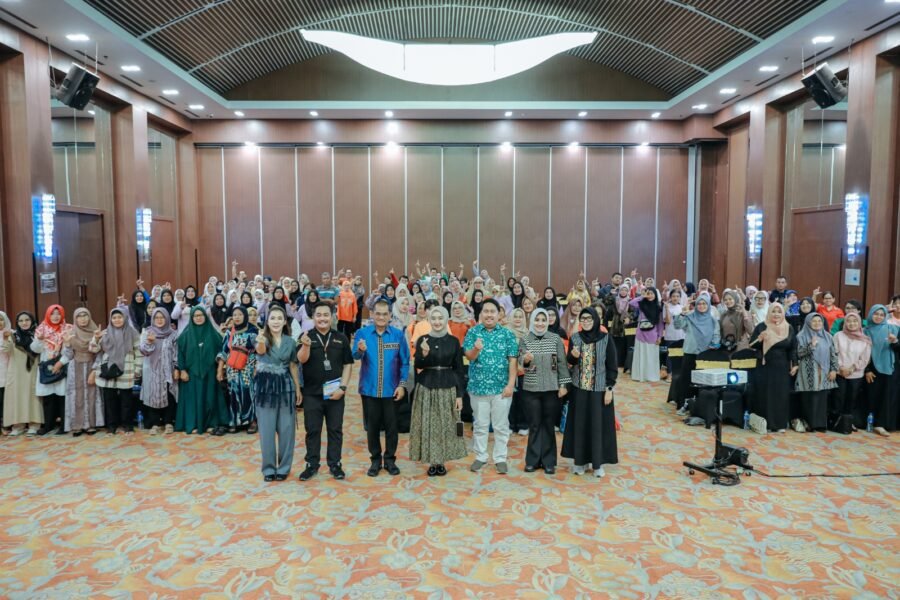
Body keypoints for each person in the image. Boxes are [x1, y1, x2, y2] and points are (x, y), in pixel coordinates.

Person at [297, 303, 354, 481]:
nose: (322, 318)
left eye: (326, 315)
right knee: (312, 430)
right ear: (313, 317)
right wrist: (305, 346)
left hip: (335, 394)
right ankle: (311, 464)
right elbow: (301, 360)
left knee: (335, 429)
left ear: (332, 317)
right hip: (312, 394)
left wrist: (343, 388)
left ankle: (335, 464)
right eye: (319, 315)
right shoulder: (305, 336)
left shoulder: (341, 338)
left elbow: (348, 364)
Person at [353, 299, 410, 477]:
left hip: (392, 391)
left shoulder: (398, 335)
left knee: (392, 428)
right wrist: (360, 350)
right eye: (378, 313)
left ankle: (390, 460)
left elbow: (405, 362)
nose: (381, 317)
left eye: (385, 314)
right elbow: (354, 355)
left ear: (390, 315)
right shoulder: (362, 333)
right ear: (372, 314)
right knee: (372, 428)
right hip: (369, 390)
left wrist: (402, 385)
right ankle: (375, 461)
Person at [408, 306, 467, 476]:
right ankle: (432, 461)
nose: (437, 322)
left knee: (447, 425)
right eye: (433, 318)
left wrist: (459, 395)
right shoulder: (423, 339)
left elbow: (459, 369)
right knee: (428, 424)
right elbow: (418, 365)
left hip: (448, 387)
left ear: (446, 319)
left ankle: (442, 461)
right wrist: (424, 354)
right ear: (429, 320)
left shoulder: (453, 341)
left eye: (440, 318)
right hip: (427, 387)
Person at [561, 306, 618, 477]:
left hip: (599, 391)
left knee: (597, 426)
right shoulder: (575, 338)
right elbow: (570, 363)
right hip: (579, 390)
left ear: (595, 320)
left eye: (589, 319)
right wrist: (573, 356)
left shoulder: (606, 339)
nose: (586, 322)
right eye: (583, 319)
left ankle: (597, 464)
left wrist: (609, 389)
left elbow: (612, 366)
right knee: (580, 426)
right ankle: (580, 462)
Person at [463, 299, 518, 474]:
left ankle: (500, 458)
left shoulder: (507, 334)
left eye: (492, 311)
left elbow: (513, 361)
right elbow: (469, 356)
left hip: (501, 389)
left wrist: (510, 385)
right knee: (480, 425)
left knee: (501, 426)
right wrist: (476, 349)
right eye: (485, 311)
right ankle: (480, 456)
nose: (489, 314)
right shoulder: (473, 332)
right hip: (478, 388)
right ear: (480, 314)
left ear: (498, 314)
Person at [519, 308, 571, 474]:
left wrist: (563, 385)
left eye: (543, 320)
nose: (540, 323)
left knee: (548, 425)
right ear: (532, 321)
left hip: (552, 388)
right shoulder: (525, 339)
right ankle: (532, 461)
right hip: (531, 388)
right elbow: (521, 363)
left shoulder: (555, 339)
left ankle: (549, 461)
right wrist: (526, 360)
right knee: (534, 425)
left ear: (548, 322)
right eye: (537, 320)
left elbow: (561, 363)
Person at [254, 306, 301, 482]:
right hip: (266, 388)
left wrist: (297, 388)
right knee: (266, 430)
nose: (276, 321)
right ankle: (268, 469)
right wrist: (260, 341)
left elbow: (293, 365)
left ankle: (284, 467)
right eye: (272, 318)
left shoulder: (290, 341)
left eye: (279, 318)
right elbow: (260, 351)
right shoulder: (262, 338)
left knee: (287, 430)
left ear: (284, 321)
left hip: (286, 387)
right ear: (267, 321)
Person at [176, 306, 227, 436]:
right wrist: (182, 370)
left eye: (201, 315)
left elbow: (222, 351)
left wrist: (219, 369)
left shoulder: (213, 334)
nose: (198, 318)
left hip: (209, 373)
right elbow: (180, 354)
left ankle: (210, 423)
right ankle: (192, 424)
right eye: (196, 316)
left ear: (205, 316)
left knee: (210, 398)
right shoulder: (185, 335)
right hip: (191, 374)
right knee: (192, 401)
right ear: (192, 318)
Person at [93, 307, 143, 435]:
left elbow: (139, 352)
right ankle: (111, 426)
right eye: (114, 317)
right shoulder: (105, 333)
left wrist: (138, 369)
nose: (117, 320)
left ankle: (128, 426)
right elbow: (94, 350)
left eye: (119, 317)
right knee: (110, 401)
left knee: (127, 401)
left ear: (125, 317)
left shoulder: (132, 333)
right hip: (109, 370)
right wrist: (96, 339)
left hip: (126, 369)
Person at [748, 303, 796, 432]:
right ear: (769, 312)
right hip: (764, 366)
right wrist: (760, 339)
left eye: (779, 312)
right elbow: (752, 345)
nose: (776, 314)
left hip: (782, 367)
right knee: (765, 394)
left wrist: (795, 364)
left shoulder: (789, 328)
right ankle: (765, 424)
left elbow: (793, 348)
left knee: (780, 395)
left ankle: (779, 424)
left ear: (783, 314)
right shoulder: (761, 326)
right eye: (773, 311)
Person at [673, 294, 721, 414]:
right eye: (699, 303)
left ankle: (701, 405)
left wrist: (714, 344)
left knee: (702, 381)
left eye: (704, 303)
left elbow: (716, 335)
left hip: (705, 355)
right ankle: (685, 404)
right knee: (687, 380)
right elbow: (677, 325)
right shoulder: (690, 317)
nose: (701, 306)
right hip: (690, 352)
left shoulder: (712, 320)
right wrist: (682, 313)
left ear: (708, 305)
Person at [217, 306, 258, 433]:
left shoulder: (253, 331)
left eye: (240, 314)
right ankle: (235, 421)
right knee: (233, 392)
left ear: (245, 316)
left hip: (248, 366)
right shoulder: (229, 332)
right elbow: (223, 351)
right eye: (235, 315)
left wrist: (256, 368)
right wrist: (219, 370)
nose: (237, 317)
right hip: (232, 368)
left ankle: (251, 421)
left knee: (248, 391)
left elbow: (258, 352)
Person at [794, 313, 838, 432]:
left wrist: (834, 369)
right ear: (808, 322)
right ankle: (809, 424)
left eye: (819, 321)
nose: (817, 323)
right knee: (809, 398)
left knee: (822, 398)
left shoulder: (828, 336)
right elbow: (799, 353)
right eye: (814, 321)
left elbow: (833, 354)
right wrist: (811, 345)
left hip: (824, 372)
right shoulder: (801, 336)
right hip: (808, 372)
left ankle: (820, 425)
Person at [61, 307, 102, 436]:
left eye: (85, 315)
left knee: (92, 395)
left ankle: (91, 424)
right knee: (77, 396)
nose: (83, 318)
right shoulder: (71, 333)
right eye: (79, 316)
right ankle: (77, 425)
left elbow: (100, 354)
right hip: (75, 368)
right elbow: (68, 355)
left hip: (92, 366)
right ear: (75, 319)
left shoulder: (96, 332)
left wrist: (95, 370)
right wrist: (67, 344)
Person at [140, 308, 179, 435]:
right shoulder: (147, 332)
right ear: (153, 319)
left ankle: (168, 422)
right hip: (152, 370)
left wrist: (176, 368)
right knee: (153, 396)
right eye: (156, 318)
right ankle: (155, 423)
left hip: (168, 370)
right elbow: (144, 351)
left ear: (167, 318)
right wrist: (150, 342)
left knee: (169, 395)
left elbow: (176, 353)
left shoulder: (173, 334)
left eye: (162, 317)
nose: (159, 320)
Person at [2, 312, 42, 435]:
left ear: (32, 321)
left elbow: (41, 349)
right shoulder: (13, 335)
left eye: (27, 320)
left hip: (32, 369)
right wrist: (5, 338)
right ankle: (18, 425)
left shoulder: (37, 334)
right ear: (17, 323)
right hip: (16, 371)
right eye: (21, 321)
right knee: (17, 397)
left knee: (32, 396)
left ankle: (34, 424)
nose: (24, 323)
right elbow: (6, 350)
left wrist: (39, 339)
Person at [32, 305, 69, 435]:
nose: (55, 316)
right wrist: (39, 340)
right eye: (52, 313)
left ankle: (64, 426)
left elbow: (69, 349)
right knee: (48, 397)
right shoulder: (41, 329)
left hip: (61, 365)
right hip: (46, 366)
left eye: (58, 313)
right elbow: (35, 349)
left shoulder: (67, 328)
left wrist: (60, 363)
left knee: (62, 397)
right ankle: (48, 425)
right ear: (47, 315)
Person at [864, 305, 899, 436]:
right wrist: (867, 369)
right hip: (871, 368)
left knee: (886, 397)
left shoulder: (893, 329)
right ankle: (870, 423)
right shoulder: (865, 331)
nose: (878, 317)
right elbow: (863, 352)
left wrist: (895, 341)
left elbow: (898, 349)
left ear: (885, 316)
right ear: (871, 314)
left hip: (889, 368)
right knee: (872, 396)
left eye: (881, 314)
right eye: (876, 314)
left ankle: (881, 424)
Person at [833, 312, 872, 431]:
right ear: (845, 323)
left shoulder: (865, 339)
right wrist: (840, 368)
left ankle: (848, 423)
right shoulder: (838, 336)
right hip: (840, 372)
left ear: (859, 323)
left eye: (855, 321)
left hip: (856, 374)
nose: (851, 323)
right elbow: (834, 353)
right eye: (849, 321)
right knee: (838, 398)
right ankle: (836, 422)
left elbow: (865, 359)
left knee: (852, 399)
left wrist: (851, 369)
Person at [629, 287, 663, 382]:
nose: (650, 295)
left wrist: (660, 336)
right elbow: (631, 303)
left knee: (651, 357)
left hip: (652, 335)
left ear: (655, 295)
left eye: (652, 293)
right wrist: (642, 296)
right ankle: (639, 376)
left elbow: (660, 324)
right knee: (640, 356)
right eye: (648, 293)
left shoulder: (658, 308)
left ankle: (651, 376)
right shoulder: (642, 305)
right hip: (640, 335)